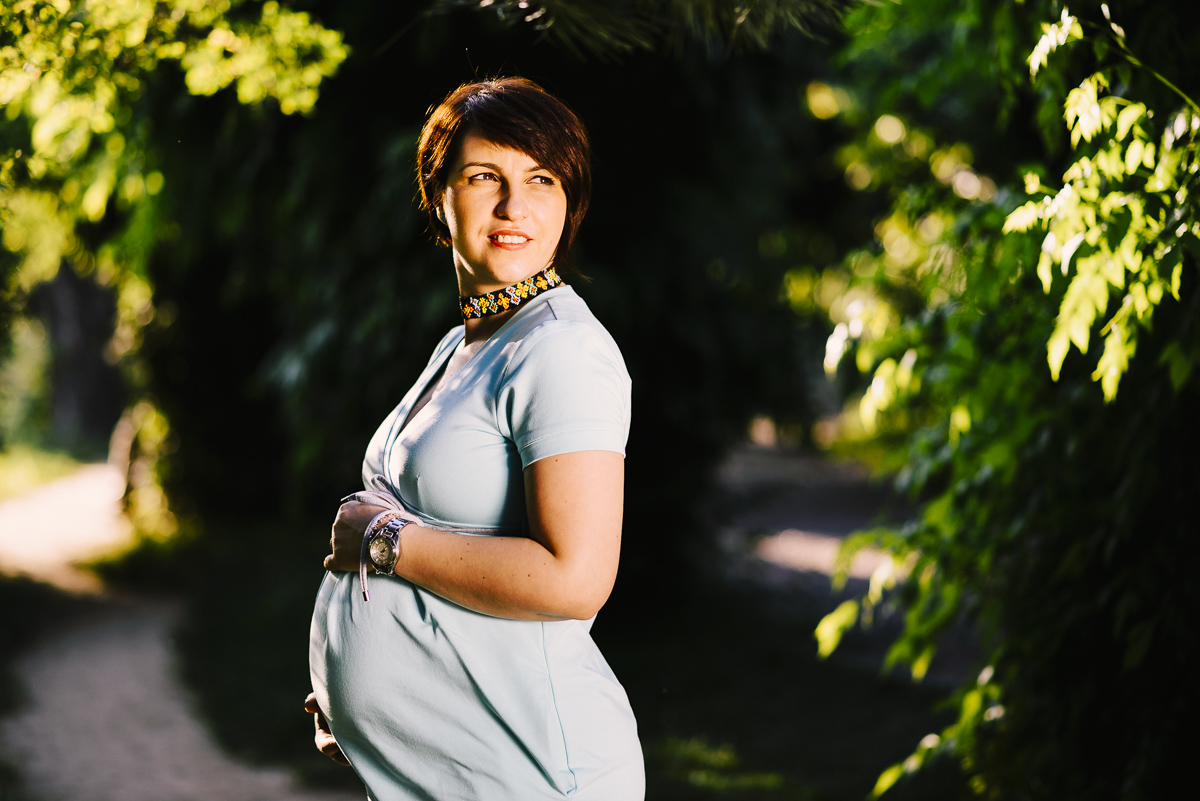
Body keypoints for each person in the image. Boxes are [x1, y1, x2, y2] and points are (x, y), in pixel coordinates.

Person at [306, 77, 644, 801]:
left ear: (570, 203)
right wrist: (372, 712)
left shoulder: (561, 350)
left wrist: (384, 542)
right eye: (485, 176)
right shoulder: (470, 342)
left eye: (541, 179)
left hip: (534, 774)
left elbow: (575, 577)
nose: (514, 205)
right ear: (439, 195)